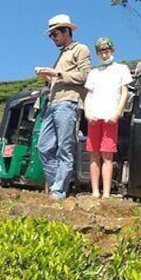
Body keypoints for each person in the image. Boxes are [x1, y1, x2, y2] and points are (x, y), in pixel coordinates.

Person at [34, 14, 91, 199]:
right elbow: (58, 79)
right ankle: (57, 186)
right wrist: (48, 78)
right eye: (51, 35)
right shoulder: (61, 54)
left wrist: (56, 73)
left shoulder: (80, 49)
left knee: (64, 149)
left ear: (66, 31)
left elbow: (84, 76)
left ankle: (58, 190)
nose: (53, 38)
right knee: (43, 147)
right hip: (52, 104)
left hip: (68, 103)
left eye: (55, 34)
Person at [83, 37, 132, 199]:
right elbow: (88, 95)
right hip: (94, 116)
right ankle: (95, 191)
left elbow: (124, 92)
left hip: (111, 115)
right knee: (94, 154)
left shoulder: (121, 69)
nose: (104, 55)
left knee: (107, 155)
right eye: (101, 52)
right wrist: (87, 112)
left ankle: (106, 193)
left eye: (106, 51)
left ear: (112, 50)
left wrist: (118, 112)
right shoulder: (94, 73)